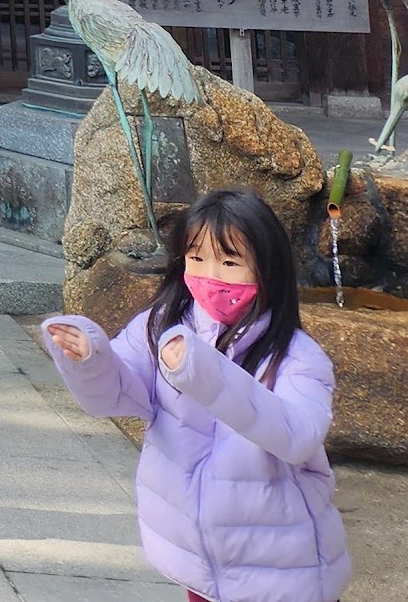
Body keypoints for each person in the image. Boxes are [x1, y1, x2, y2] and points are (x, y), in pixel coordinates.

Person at [43, 190, 349, 602]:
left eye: (229, 262)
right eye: (196, 258)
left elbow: (299, 436)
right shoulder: (161, 325)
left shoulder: (297, 355)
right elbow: (115, 395)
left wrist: (204, 371)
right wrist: (91, 359)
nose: (211, 275)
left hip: (281, 566)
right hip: (200, 560)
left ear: (267, 268)